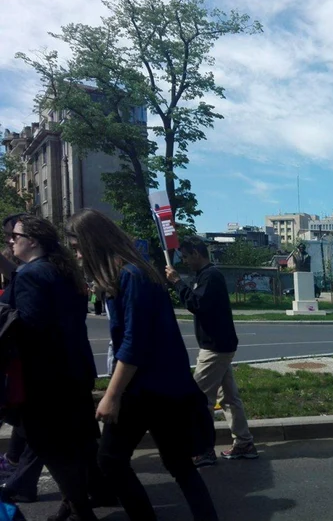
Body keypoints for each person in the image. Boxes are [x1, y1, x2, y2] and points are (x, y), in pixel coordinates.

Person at [65, 209, 219, 521]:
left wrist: (111, 395)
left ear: (92, 242)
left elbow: (134, 343)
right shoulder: (131, 274)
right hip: (162, 387)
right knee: (179, 465)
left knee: (110, 460)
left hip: (146, 390)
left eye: (77, 246)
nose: (77, 254)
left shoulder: (131, 276)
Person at [6, 215, 99, 520]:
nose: (10, 240)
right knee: (74, 445)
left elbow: (33, 329)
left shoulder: (31, 275)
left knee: (52, 448)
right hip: (75, 372)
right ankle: (71, 506)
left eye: (14, 235)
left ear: (32, 240)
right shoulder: (61, 270)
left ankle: (81, 510)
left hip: (45, 380)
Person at [165, 236, 258, 466]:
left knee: (198, 400)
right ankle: (244, 442)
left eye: (186, 256)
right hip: (219, 345)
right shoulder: (205, 276)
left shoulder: (210, 276)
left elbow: (197, 304)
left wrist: (177, 282)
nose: (185, 261)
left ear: (197, 253)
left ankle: (204, 449)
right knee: (228, 398)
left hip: (215, 348)